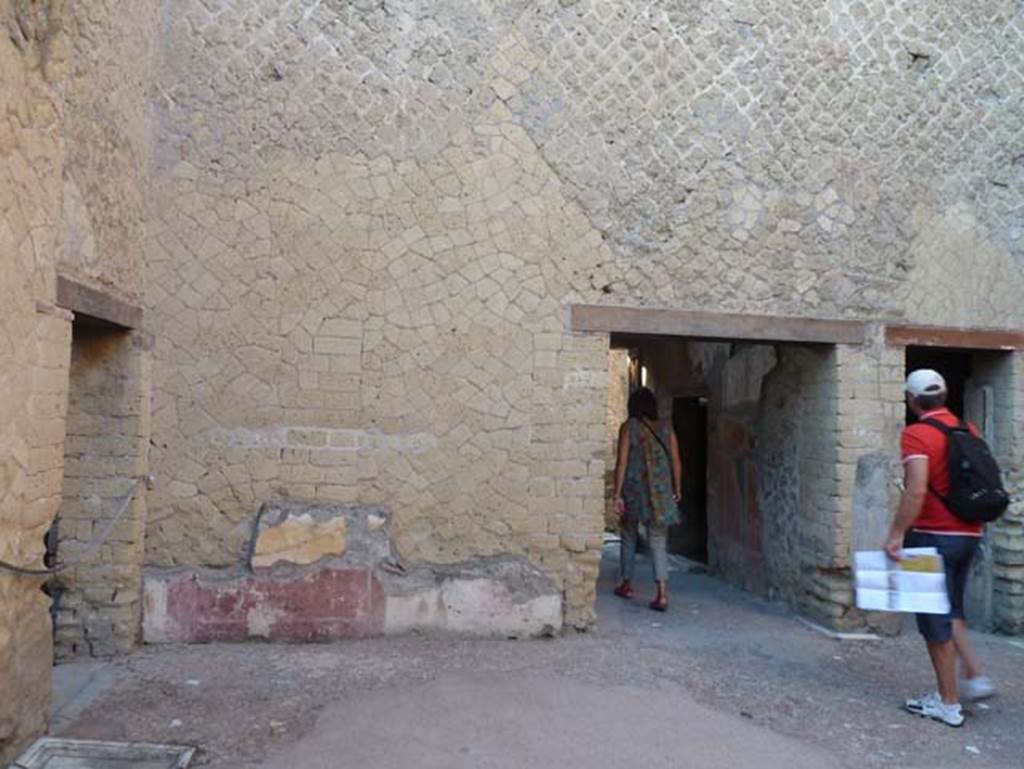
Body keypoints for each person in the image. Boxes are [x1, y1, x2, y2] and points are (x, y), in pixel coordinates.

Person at [883, 369, 996, 728]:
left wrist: (897, 532)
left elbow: (916, 489)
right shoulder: (968, 430)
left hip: (932, 536)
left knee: (934, 624)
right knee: (951, 608)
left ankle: (948, 704)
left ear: (912, 401)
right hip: (969, 535)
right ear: (945, 395)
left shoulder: (917, 434)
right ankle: (973, 676)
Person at [612, 387, 682, 611]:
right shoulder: (666, 429)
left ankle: (626, 583)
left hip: (634, 492)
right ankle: (662, 594)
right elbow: (676, 461)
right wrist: (677, 488)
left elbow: (621, 462)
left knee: (628, 534)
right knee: (658, 541)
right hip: (660, 493)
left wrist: (617, 493)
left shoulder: (629, 428)